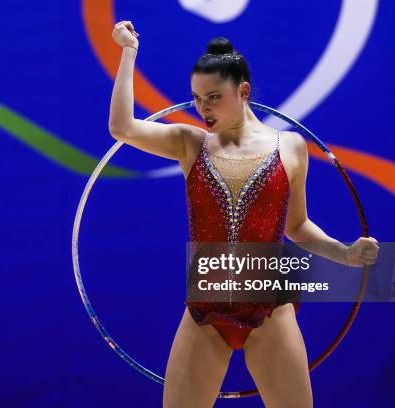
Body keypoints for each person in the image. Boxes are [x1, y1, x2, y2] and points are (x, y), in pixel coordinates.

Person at [108, 20, 379, 408]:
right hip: (207, 307)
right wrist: (128, 52)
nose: (202, 108)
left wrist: (345, 254)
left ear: (244, 91)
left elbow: (298, 227)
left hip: (270, 309)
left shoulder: (291, 148)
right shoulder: (190, 143)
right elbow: (121, 127)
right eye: (197, 98)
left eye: (213, 97)